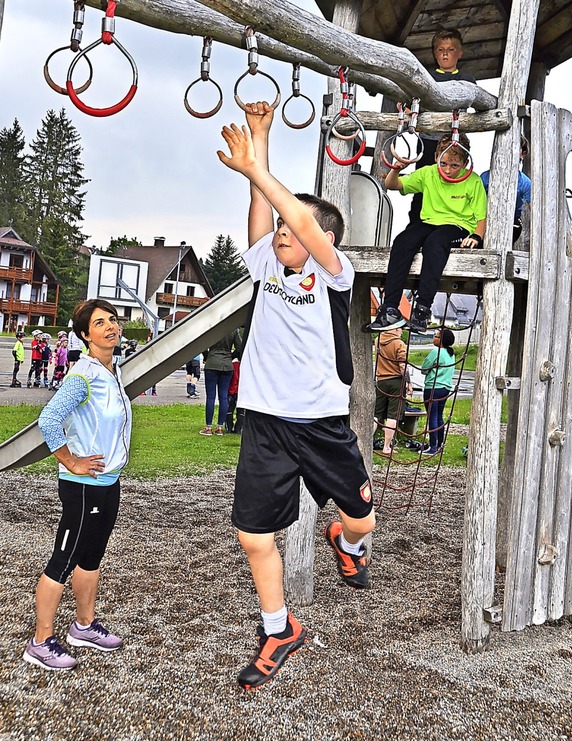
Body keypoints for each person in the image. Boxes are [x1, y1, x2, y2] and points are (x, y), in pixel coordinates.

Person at [216, 102, 375, 690]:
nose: (283, 233)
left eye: (296, 227)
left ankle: (344, 538)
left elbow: (298, 221)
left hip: (321, 423)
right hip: (266, 421)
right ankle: (279, 628)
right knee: (253, 534)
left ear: (324, 239)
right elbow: (264, 219)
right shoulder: (268, 269)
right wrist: (260, 137)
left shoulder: (336, 271)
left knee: (363, 519)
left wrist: (257, 170)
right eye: (281, 229)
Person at [23, 299, 131, 671]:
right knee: (63, 561)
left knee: (91, 558)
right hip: (83, 485)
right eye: (100, 323)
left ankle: (83, 627)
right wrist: (71, 461)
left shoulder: (112, 370)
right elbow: (49, 420)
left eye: (113, 320)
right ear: (85, 335)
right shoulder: (83, 375)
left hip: (108, 481)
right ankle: (40, 642)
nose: (111, 327)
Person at [366, 132, 487, 334]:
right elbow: (392, 185)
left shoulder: (473, 182)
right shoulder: (429, 173)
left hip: (458, 226)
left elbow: (481, 216)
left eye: (454, 166)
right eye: (444, 163)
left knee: (435, 243)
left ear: (465, 163)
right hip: (429, 222)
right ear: (436, 159)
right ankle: (389, 309)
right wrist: (396, 169)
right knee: (403, 240)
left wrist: (476, 236)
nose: (448, 170)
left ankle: (422, 309)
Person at [409, 28, 476, 225]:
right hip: (429, 142)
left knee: (455, 185)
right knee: (423, 186)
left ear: (460, 53)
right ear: (434, 52)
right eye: (440, 50)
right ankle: (416, 226)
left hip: (455, 144)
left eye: (451, 49)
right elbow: (411, 102)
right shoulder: (426, 77)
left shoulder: (467, 81)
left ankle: (452, 224)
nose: (445, 53)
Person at [480, 134, 531, 243]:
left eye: (514, 147)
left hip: (512, 221)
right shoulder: (484, 177)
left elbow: (535, 209)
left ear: (522, 153)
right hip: (486, 218)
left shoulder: (525, 182)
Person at [373, 327, 412, 455]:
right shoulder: (399, 344)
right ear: (395, 329)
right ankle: (386, 446)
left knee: (376, 414)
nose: (402, 332)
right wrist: (408, 383)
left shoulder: (378, 340)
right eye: (401, 329)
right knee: (393, 415)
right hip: (396, 381)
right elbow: (402, 365)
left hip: (381, 380)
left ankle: (366, 442)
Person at [199, 328, 242, 436]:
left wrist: (207, 356)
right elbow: (240, 347)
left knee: (210, 397)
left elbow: (202, 344)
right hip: (227, 365)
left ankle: (208, 427)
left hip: (212, 363)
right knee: (223, 397)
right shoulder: (234, 330)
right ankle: (219, 427)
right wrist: (230, 356)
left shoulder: (213, 328)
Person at [421, 328, 456, 455]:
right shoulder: (451, 354)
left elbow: (424, 369)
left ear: (441, 340)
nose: (433, 338)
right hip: (445, 388)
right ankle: (440, 444)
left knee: (432, 416)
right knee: (439, 416)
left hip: (433, 387)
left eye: (436, 336)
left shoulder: (436, 352)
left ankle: (433, 446)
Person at [225, 356, 244, 433]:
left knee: (229, 410)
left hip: (231, 390)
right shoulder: (246, 366)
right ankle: (238, 428)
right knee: (241, 411)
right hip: (242, 391)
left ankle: (229, 427)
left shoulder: (233, 365)